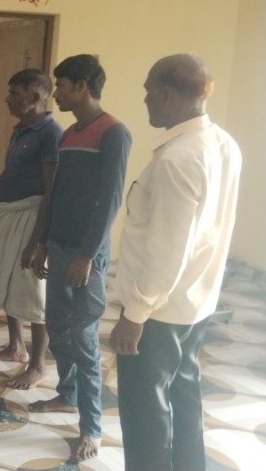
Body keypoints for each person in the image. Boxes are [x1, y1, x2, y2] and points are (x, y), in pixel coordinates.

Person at [111, 54, 241, 471]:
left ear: (167, 94)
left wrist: (135, 314)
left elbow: (168, 250)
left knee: (145, 411)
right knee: (184, 395)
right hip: (195, 301)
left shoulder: (178, 158)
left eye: (148, 90)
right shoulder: (223, 143)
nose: (145, 98)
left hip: (158, 312)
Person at [28, 54, 131, 462]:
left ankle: (92, 429)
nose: (56, 92)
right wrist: (43, 242)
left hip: (88, 257)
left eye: (61, 85)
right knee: (57, 326)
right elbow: (56, 194)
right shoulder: (69, 134)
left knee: (84, 338)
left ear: (82, 87)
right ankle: (67, 394)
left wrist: (87, 255)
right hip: (59, 247)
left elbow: (110, 201)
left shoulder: (114, 133)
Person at [0, 69, 62, 390]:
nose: (8, 99)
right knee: (6, 280)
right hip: (8, 217)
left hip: (30, 220)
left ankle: (38, 364)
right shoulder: (19, 130)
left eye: (15, 94)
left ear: (35, 96)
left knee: (32, 292)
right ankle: (16, 346)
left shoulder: (50, 133)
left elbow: (50, 190)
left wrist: (37, 241)